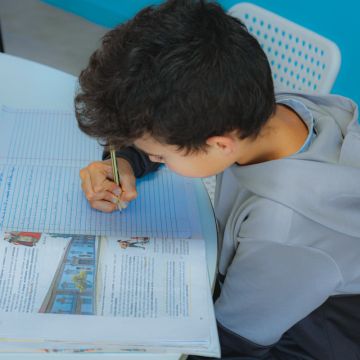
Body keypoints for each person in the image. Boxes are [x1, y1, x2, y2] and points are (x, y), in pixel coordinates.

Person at [75, 0, 360, 358]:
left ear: (220, 144)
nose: (154, 158)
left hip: (306, 335)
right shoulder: (281, 110)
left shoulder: (282, 233)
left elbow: (229, 345)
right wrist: (126, 161)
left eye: (159, 155)